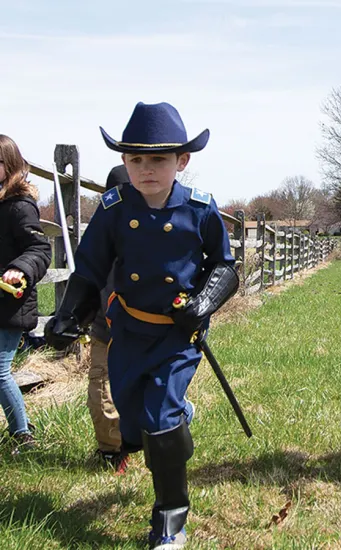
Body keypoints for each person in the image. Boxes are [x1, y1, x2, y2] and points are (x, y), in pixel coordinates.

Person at [47, 101, 238, 549]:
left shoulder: (201, 210)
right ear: (124, 162)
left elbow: (225, 269)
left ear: (182, 161)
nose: (146, 169)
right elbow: (90, 269)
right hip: (129, 332)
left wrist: (205, 302)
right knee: (133, 427)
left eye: (158, 159)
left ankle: (170, 522)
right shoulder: (114, 209)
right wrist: (70, 315)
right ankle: (173, 419)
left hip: (178, 334)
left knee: (159, 422)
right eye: (136, 159)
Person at [0, 134, 52, 455]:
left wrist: (19, 269)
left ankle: (22, 434)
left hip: (9, 304)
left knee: (0, 373)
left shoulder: (19, 207)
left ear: (9, 165)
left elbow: (39, 248)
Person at [85, 164, 130, 473]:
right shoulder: (99, 233)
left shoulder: (155, 232)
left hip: (147, 328)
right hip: (105, 325)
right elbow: (87, 277)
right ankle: (111, 449)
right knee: (100, 391)